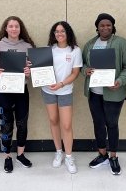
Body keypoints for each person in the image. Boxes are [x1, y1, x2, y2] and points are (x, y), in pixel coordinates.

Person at [82, 13, 126, 175]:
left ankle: (113, 156)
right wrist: (85, 70)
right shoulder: (90, 44)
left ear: (112, 26)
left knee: (112, 123)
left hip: (114, 92)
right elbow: (82, 65)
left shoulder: (121, 43)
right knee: (98, 123)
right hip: (95, 92)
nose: (105, 28)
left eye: (108, 25)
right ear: (97, 27)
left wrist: (120, 81)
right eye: (102, 25)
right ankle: (102, 154)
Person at [0, 16, 35, 173]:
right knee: (5, 125)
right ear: (6, 28)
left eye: (17, 26)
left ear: (20, 29)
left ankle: (20, 155)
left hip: (21, 91)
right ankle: (7, 156)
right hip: (3, 92)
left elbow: (34, 69)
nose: (14, 29)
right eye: (11, 26)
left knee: (22, 124)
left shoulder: (28, 46)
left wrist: (29, 72)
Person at [40, 21, 82, 174]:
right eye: (56, 31)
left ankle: (69, 156)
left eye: (62, 31)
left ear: (68, 33)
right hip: (48, 90)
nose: (59, 34)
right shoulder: (48, 50)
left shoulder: (75, 50)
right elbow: (41, 68)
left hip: (65, 91)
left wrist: (61, 84)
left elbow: (75, 73)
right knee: (53, 120)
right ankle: (59, 151)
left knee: (66, 125)